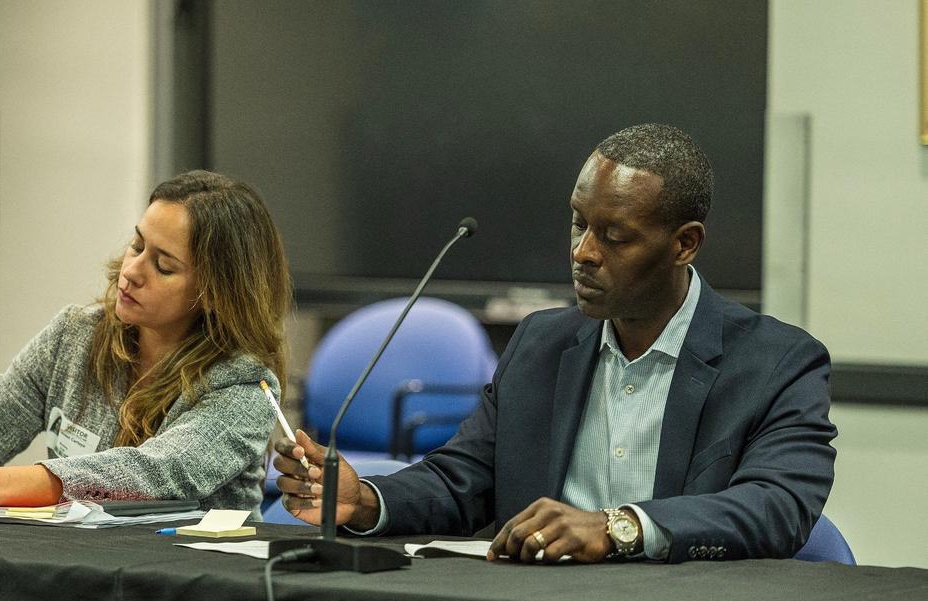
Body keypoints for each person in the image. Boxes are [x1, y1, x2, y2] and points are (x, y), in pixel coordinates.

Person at [274, 123, 837, 564]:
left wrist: (617, 527)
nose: (583, 252)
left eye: (615, 236)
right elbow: (463, 480)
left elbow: (778, 506)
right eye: (578, 224)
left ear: (684, 245)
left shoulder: (775, 362)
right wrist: (366, 500)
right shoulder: (541, 343)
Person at [0, 170, 291, 520]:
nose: (132, 270)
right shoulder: (74, 336)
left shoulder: (246, 387)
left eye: (163, 266)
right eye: (137, 245)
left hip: (190, 585)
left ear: (214, 292)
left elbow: (152, 473)